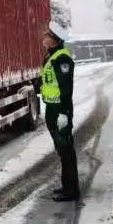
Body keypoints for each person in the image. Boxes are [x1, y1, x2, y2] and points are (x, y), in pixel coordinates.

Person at [41, 23, 80, 202]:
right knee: (61, 150)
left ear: (55, 40)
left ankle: (72, 191)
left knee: (66, 150)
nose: (44, 36)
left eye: (48, 34)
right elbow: (49, 82)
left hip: (60, 111)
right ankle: (67, 186)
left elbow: (66, 88)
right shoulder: (52, 56)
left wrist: (64, 113)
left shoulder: (62, 59)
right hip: (52, 108)